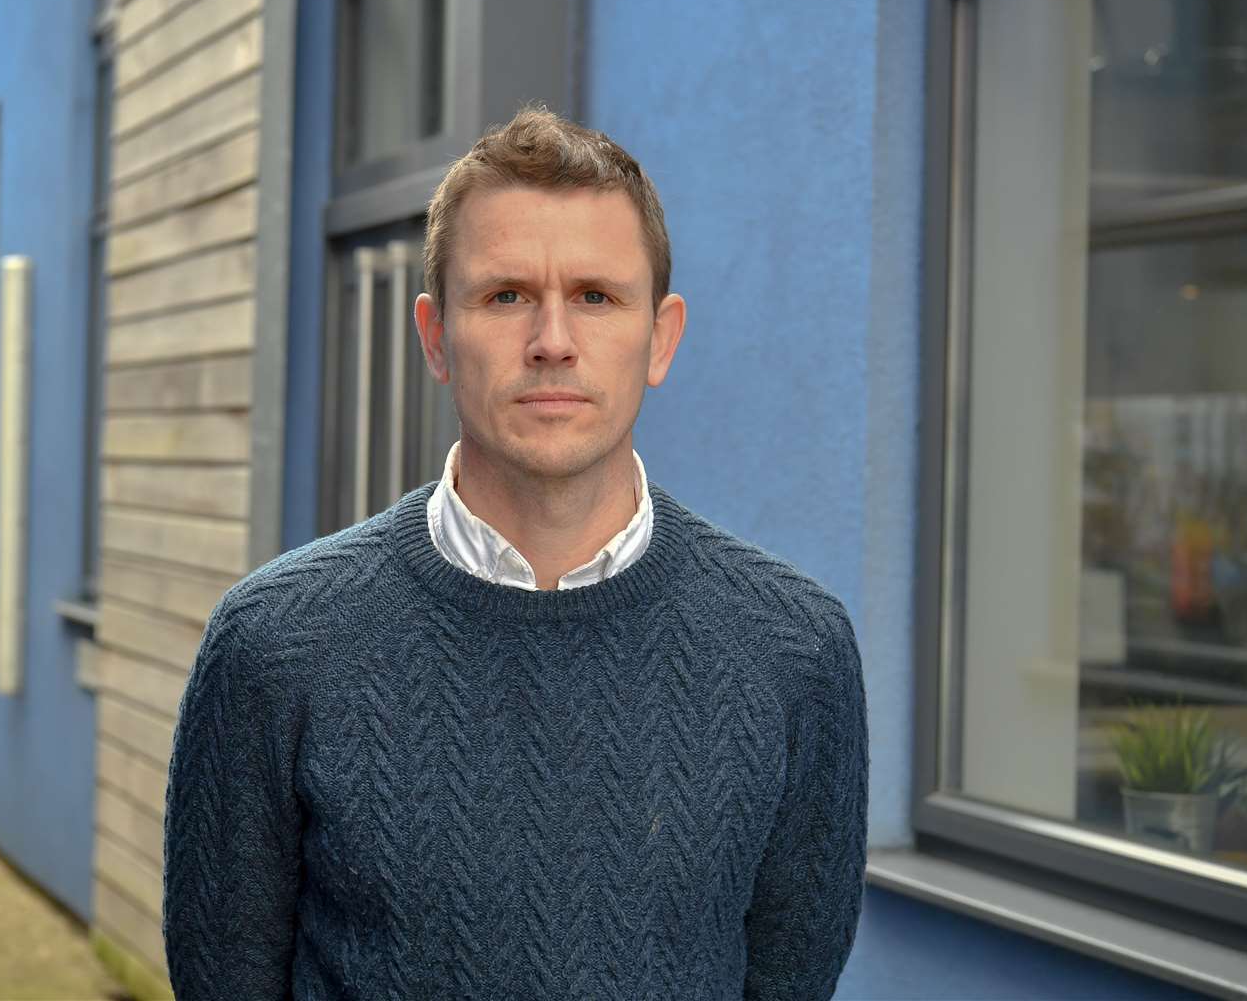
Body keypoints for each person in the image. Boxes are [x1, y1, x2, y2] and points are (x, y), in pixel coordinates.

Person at [162, 107, 869, 1000]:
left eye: (596, 296)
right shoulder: (274, 646)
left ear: (661, 337)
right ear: (433, 337)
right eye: (505, 296)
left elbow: (789, 979)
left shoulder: (792, 650)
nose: (553, 341)